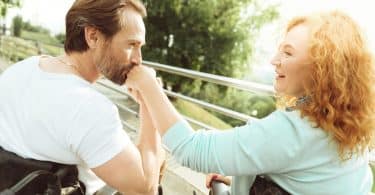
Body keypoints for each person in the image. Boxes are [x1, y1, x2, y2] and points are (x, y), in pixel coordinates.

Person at [126, 10, 375, 195]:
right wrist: (239, 179)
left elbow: (192, 150)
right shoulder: (347, 134)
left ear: (323, 69)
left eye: (288, 53)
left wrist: (148, 86)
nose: (274, 60)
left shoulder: (293, 131)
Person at [0, 0, 164, 194]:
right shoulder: (89, 107)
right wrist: (150, 100)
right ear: (93, 37)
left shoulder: (20, 69)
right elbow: (146, 188)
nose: (138, 59)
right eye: (132, 44)